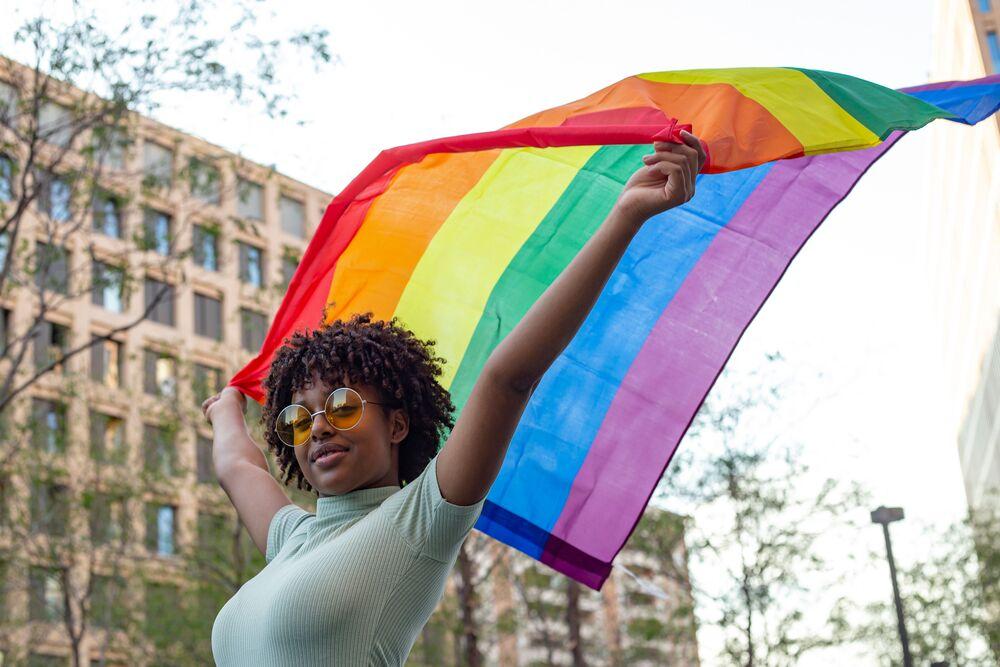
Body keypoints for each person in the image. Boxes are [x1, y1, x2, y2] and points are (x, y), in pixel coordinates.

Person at [202, 131, 706, 666]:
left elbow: (508, 379)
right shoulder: (291, 539)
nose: (319, 427)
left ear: (397, 425)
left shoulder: (422, 518)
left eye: (343, 406)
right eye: (299, 420)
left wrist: (624, 216)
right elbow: (237, 465)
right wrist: (225, 409)